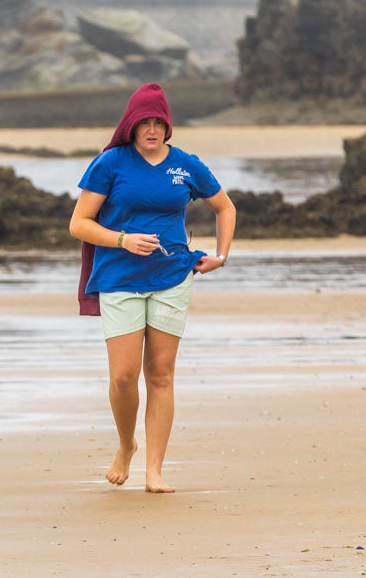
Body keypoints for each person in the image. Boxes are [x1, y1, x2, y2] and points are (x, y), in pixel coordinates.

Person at [68, 83, 236, 493]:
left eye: (158, 122)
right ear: (131, 124)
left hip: (172, 278)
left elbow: (224, 207)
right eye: (144, 122)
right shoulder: (111, 163)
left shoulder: (185, 164)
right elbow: (79, 224)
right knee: (124, 376)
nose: (151, 129)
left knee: (160, 373)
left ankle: (155, 470)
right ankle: (126, 444)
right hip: (120, 279)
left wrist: (221, 255)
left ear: (167, 125)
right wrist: (124, 239)